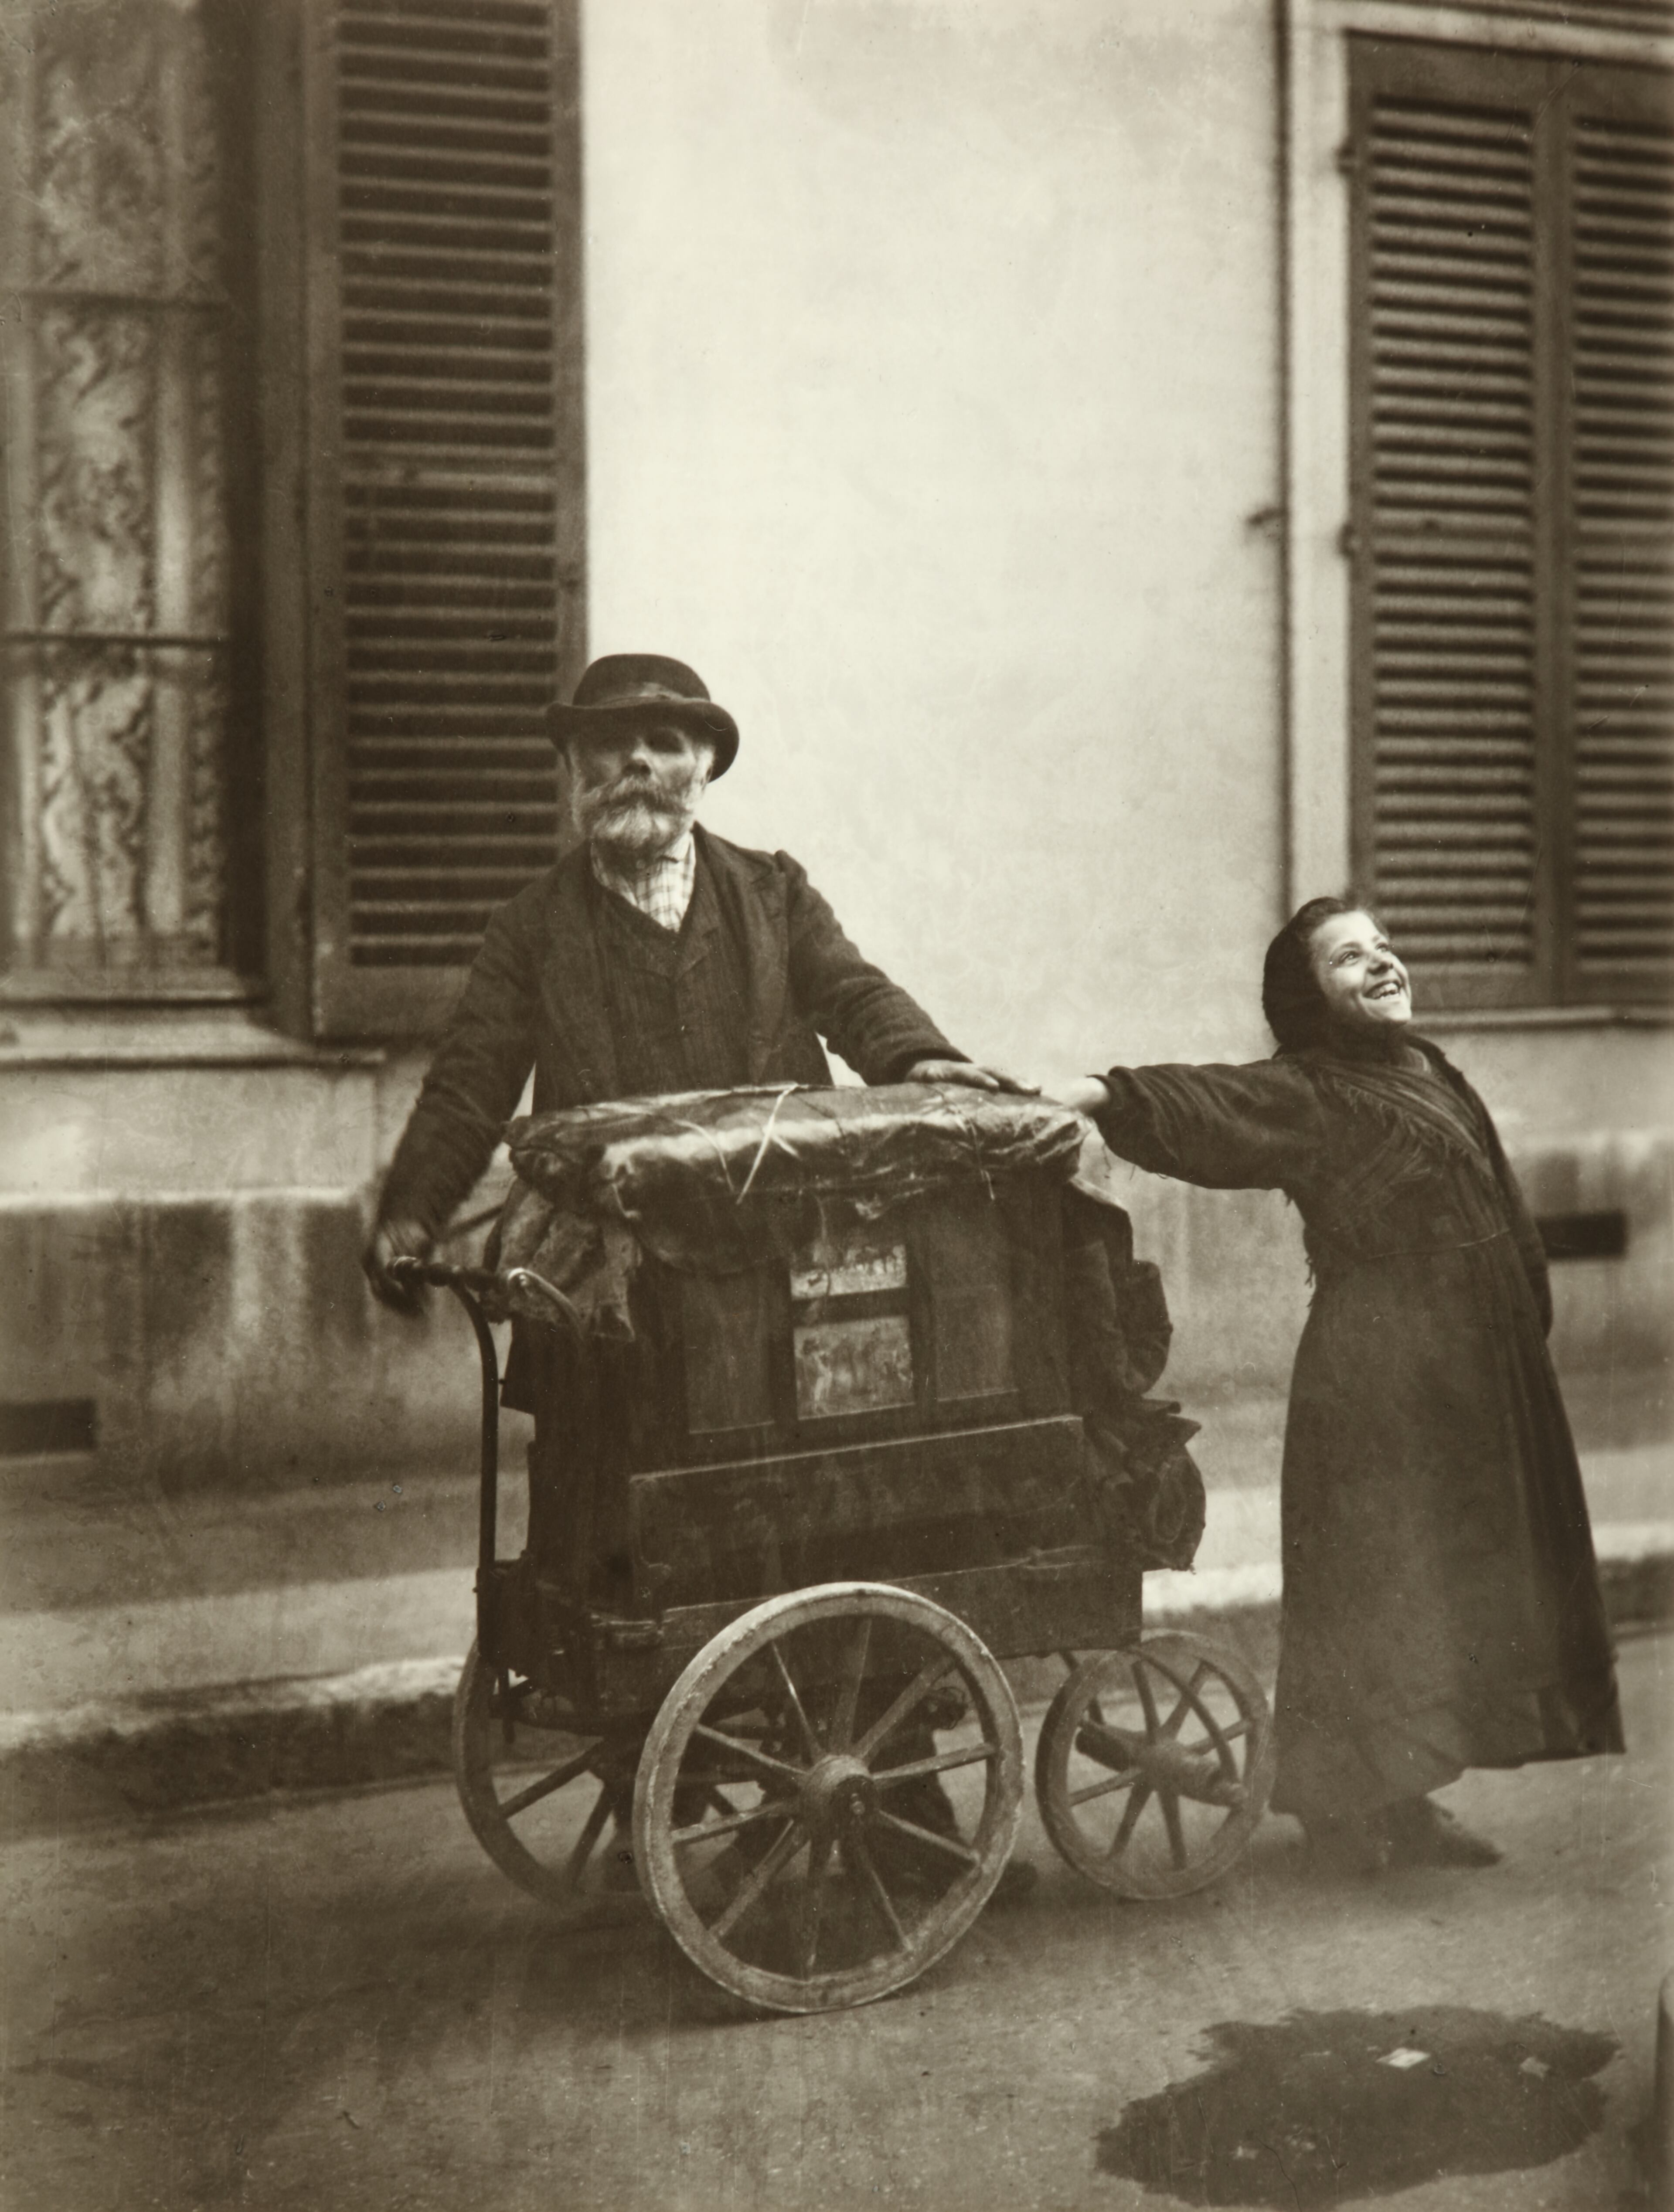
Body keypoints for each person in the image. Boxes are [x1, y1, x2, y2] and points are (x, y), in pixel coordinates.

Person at [1055, 896, 1623, 1874]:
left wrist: (1521, 1327)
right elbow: (1211, 1102)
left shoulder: (1431, 1071)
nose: (1383, 964)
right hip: (1379, 1382)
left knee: (1446, 1585)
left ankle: (1411, 1801)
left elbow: (1504, 1203)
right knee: (1378, 1586)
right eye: (1349, 959)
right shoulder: (1311, 1093)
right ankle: (1344, 1811)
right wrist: (1098, 1094)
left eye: (1384, 948)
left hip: (1474, 1374)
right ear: (1308, 999)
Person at [364, 651, 1027, 1308]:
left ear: (705, 768)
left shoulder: (775, 893)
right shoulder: (528, 928)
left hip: (780, 1244)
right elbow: (468, 1088)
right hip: (611, 1271)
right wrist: (411, 1213)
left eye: (664, 743)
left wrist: (921, 1057)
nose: (638, 761)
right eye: (611, 741)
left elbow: (853, 993)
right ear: (572, 763)